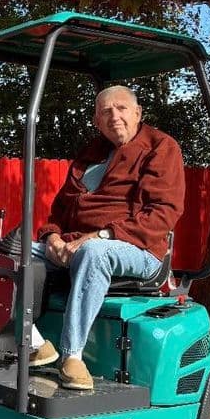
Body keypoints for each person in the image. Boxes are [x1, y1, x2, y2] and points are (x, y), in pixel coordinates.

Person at [31, 85, 185, 390]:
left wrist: (101, 235)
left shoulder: (160, 147)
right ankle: (33, 343)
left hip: (138, 249)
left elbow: (163, 214)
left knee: (96, 252)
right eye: (105, 111)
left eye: (122, 108)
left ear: (138, 113)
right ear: (96, 120)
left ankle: (71, 357)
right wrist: (52, 239)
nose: (114, 115)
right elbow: (58, 213)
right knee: (6, 249)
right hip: (76, 244)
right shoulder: (90, 155)